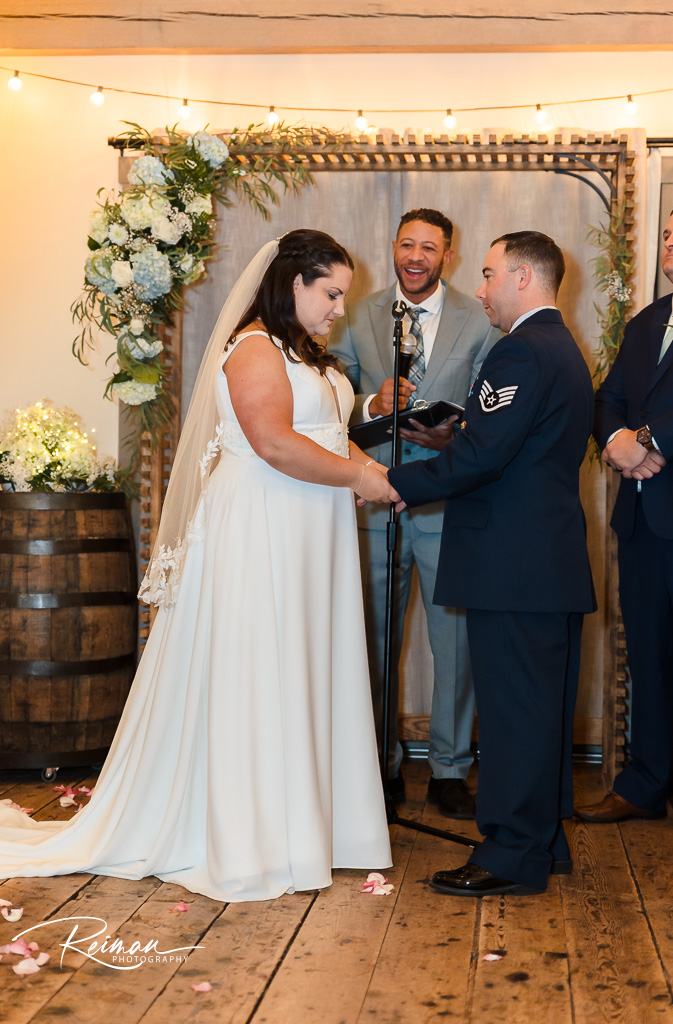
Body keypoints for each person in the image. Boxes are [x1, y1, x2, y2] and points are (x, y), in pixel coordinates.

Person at [0, 230, 394, 902]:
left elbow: (323, 435)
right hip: (261, 525)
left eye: (341, 296)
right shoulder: (252, 348)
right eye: (329, 293)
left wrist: (369, 463)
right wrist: (361, 477)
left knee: (303, 662)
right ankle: (250, 836)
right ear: (291, 282)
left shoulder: (308, 354)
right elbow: (271, 441)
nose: (337, 309)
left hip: (309, 527)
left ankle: (310, 829)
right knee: (259, 665)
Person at [386, 231, 596, 896]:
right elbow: (508, 446)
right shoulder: (560, 348)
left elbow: (483, 460)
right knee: (538, 711)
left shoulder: (520, 352)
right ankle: (541, 842)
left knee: (513, 717)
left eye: (487, 273)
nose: (478, 289)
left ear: (524, 279)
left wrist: (395, 483)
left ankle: (509, 854)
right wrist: (460, 436)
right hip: (540, 563)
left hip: (514, 564)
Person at [329, 209, 499, 819]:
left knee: (454, 644)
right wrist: (372, 401)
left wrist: (456, 436)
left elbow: (493, 404)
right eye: (407, 244)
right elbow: (329, 398)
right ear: (393, 247)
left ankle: (451, 769)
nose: (417, 256)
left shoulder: (479, 318)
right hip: (375, 500)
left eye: (430, 247)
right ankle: (378, 764)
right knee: (372, 639)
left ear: (447, 256)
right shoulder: (356, 312)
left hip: (450, 502)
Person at [575, 202, 673, 824]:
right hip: (642, 521)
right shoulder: (647, 323)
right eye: (666, 232)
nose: (669, 241)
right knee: (647, 657)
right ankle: (644, 787)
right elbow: (606, 397)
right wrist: (620, 443)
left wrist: (646, 439)